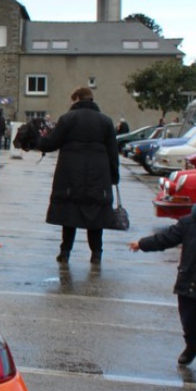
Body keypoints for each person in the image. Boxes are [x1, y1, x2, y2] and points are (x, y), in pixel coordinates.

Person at [129, 174, 196, 378]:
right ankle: (193, 344)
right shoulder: (190, 222)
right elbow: (167, 238)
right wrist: (143, 244)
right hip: (188, 279)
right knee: (189, 318)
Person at [37, 86, 119, 264]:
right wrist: (114, 177)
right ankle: (96, 253)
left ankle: (65, 252)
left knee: (69, 213)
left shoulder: (67, 119)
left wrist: (37, 141)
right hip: (99, 173)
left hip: (70, 172)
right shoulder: (106, 121)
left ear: (77, 99)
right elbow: (113, 152)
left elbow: (52, 143)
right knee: (96, 214)